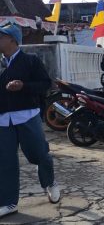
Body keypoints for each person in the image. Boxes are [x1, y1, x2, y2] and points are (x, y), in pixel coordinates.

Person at [0, 24, 60, 218]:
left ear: (12, 40)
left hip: (27, 115)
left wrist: (23, 86)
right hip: (3, 119)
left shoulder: (30, 61)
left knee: (39, 154)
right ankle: (8, 202)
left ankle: (49, 182)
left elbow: (45, 84)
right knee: (5, 161)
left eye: (0, 36)